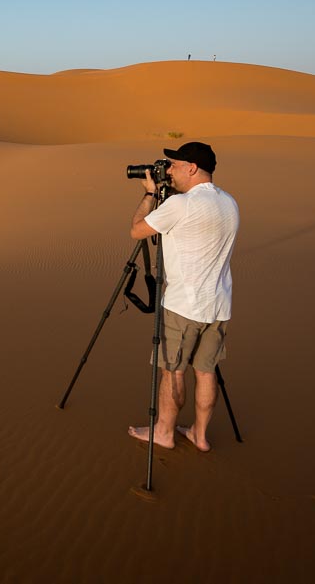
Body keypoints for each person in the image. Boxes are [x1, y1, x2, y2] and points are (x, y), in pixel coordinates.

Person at [127, 142, 239, 452]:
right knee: (205, 371)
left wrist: (150, 194)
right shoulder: (230, 202)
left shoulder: (180, 206)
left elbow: (136, 231)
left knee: (173, 371)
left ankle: (163, 432)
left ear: (191, 168)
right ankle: (199, 436)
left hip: (183, 306)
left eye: (174, 165)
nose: (169, 170)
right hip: (218, 305)